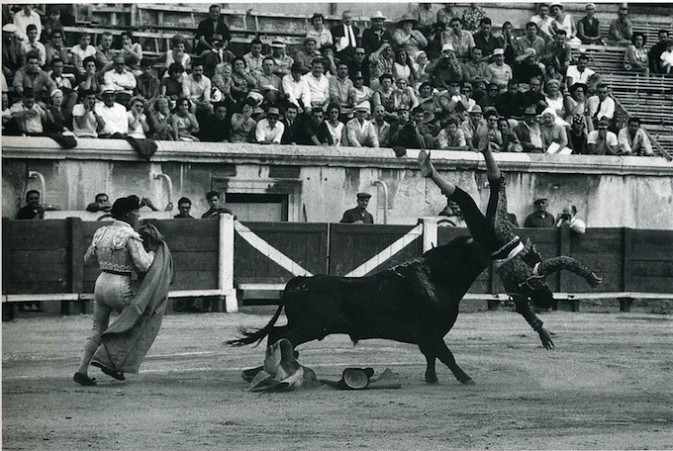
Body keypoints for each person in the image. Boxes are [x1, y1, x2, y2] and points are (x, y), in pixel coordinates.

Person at [417, 148, 602, 348]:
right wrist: (540, 330)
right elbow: (524, 311)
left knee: (498, 184)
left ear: (545, 287)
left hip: (502, 235)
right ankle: (432, 174)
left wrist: (589, 275)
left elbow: (566, 261)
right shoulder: (519, 293)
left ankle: (485, 149)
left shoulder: (539, 271)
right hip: (485, 242)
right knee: (464, 201)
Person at [73, 195, 164, 386]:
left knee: (97, 328)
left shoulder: (101, 232)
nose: (139, 215)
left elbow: (87, 258)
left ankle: (81, 370)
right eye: (137, 212)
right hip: (120, 284)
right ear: (129, 213)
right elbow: (144, 264)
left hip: (101, 282)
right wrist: (154, 252)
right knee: (136, 321)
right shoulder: (129, 235)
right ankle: (110, 363)